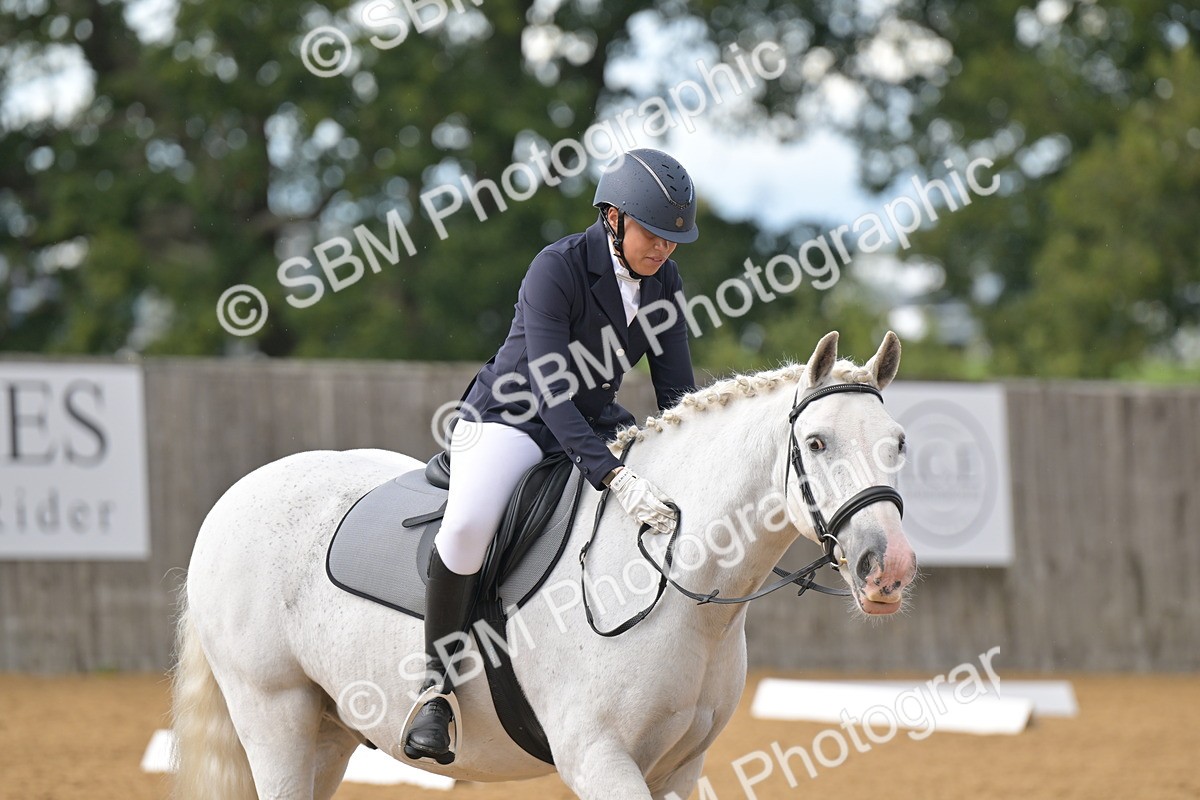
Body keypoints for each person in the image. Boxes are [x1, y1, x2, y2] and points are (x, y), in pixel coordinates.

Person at [402, 148, 700, 764]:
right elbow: (551, 386)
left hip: (591, 420)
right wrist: (611, 472)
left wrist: (685, 456)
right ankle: (435, 688)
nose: (665, 250)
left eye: (675, 241)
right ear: (614, 218)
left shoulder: (664, 281)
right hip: (510, 418)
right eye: (655, 235)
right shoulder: (556, 268)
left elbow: (676, 393)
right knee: (466, 525)